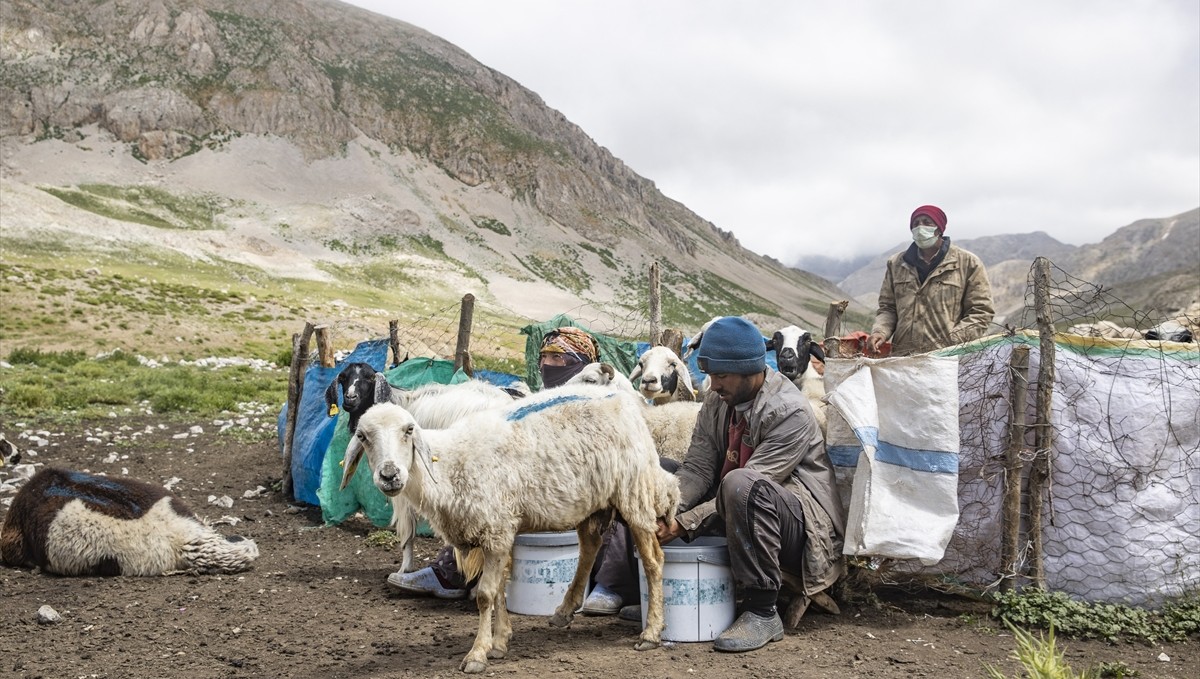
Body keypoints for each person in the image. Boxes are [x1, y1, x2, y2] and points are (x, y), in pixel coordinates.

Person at [581, 316, 846, 653]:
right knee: (655, 475)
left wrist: (682, 523)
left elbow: (756, 482)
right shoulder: (718, 401)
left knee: (741, 483)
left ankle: (762, 609)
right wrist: (667, 507)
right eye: (710, 375)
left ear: (752, 371)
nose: (714, 384)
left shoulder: (789, 411)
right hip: (741, 503)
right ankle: (655, 592)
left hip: (801, 525)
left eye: (721, 376)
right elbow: (698, 468)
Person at [385, 326, 600, 598]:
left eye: (558, 358)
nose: (548, 364)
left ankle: (456, 574)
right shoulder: (536, 401)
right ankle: (456, 570)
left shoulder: (593, 405)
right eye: (545, 358)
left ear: (581, 364)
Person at [868, 205, 995, 356]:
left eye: (927, 222)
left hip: (948, 359)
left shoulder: (967, 263)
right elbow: (888, 308)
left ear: (939, 228)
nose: (920, 227)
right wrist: (880, 332)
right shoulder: (896, 263)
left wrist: (951, 342)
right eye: (916, 223)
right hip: (903, 357)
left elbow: (981, 312)